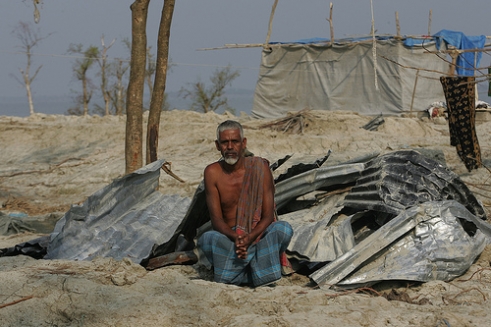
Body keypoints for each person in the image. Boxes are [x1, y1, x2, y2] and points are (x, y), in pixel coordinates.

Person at [197, 120, 293, 287]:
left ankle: (238, 275)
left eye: (234, 141)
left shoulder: (259, 167)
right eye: (224, 142)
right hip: (231, 240)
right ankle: (259, 273)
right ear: (217, 145)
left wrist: (250, 238)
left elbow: (268, 215)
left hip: (257, 235)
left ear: (243, 143)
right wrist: (237, 239)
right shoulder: (212, 172)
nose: (230, 146)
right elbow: (217, 221)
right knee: (207, 238)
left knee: (283, 229)